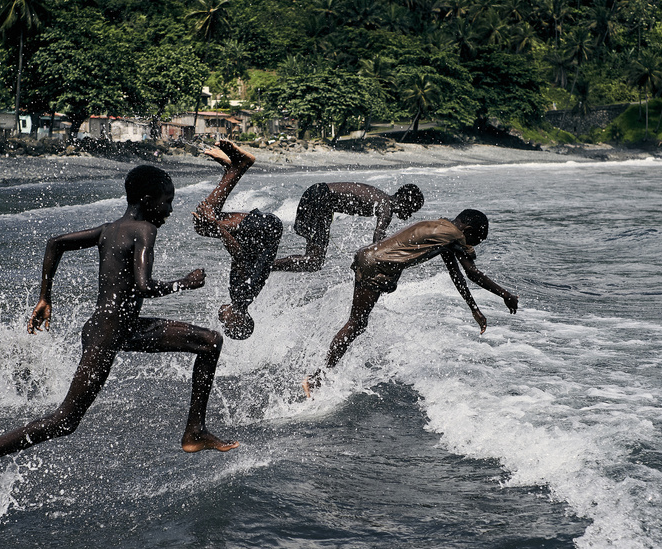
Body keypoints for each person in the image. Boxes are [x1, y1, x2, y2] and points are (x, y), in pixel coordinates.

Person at [0, 165, 238, 501]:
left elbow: (55, 243)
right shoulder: (144, 229)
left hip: (120, 328)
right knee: (65, 420)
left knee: (210, 342)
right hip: (108, 333)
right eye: (167, 201)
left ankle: (194, 431)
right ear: (148, 200)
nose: (171, 210)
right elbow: (144, 286)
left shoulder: (110, 229)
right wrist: (184, 283)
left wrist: (45, 296)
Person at [303, 209, 518, 396]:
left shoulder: (443, 228)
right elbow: (472, 273)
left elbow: (456, 274)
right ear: (468, 229)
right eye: (474, 240)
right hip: (376, 265)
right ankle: (317, 377)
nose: (471, 245)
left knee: (357, 323)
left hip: (368, 257)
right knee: (356, 324)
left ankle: (319, 375)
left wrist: (474, 309)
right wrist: (505, 294)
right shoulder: (455, 235)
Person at [193, 139, 283, 340]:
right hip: (265, 230)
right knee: (206, 223)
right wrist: (217, 225)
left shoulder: (245, 298)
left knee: (202, 224)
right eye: (226, 323)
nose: (221, 319)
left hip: (265, 231)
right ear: (237, 320)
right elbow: (239, 256)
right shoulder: (241, 297)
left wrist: (218, 226)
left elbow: (242, 255)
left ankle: (232, 168)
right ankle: (240, 166)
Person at [271, 182, 424, 273]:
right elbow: (378, 242)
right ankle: (268, 266)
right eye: (412, 209)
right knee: (313, 261)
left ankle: (269, 266)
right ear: (405, 201)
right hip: (320, 197)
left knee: (314, 262)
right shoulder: (386, 207)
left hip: (317, 195)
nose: (409, 215)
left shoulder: (382, 199)